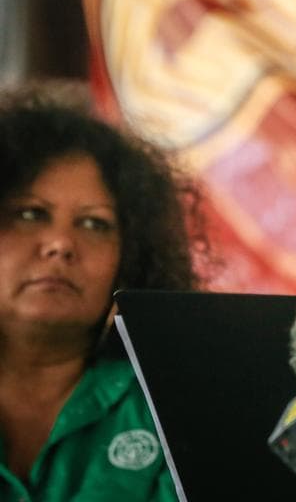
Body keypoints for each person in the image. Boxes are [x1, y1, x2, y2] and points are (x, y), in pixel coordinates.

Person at [0, 85, 208, 501]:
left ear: (132, 257)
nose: (61, 244)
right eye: (31, 214)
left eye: (94, 224)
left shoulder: (172, 400)